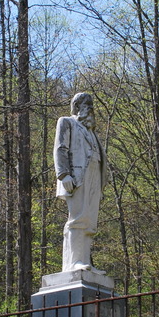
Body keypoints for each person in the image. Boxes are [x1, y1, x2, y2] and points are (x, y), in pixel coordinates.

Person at [53, 92, 109, 273]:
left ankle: (85, 262)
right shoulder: (66, 122)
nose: (91, 107)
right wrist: (63, 175)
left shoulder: (92, 132)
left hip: (94, 176)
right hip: (76, 177)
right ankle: (73, 263)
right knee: (77, 218)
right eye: (87, 103)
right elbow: (60, 148)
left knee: (89, 222)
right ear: (76, 106)